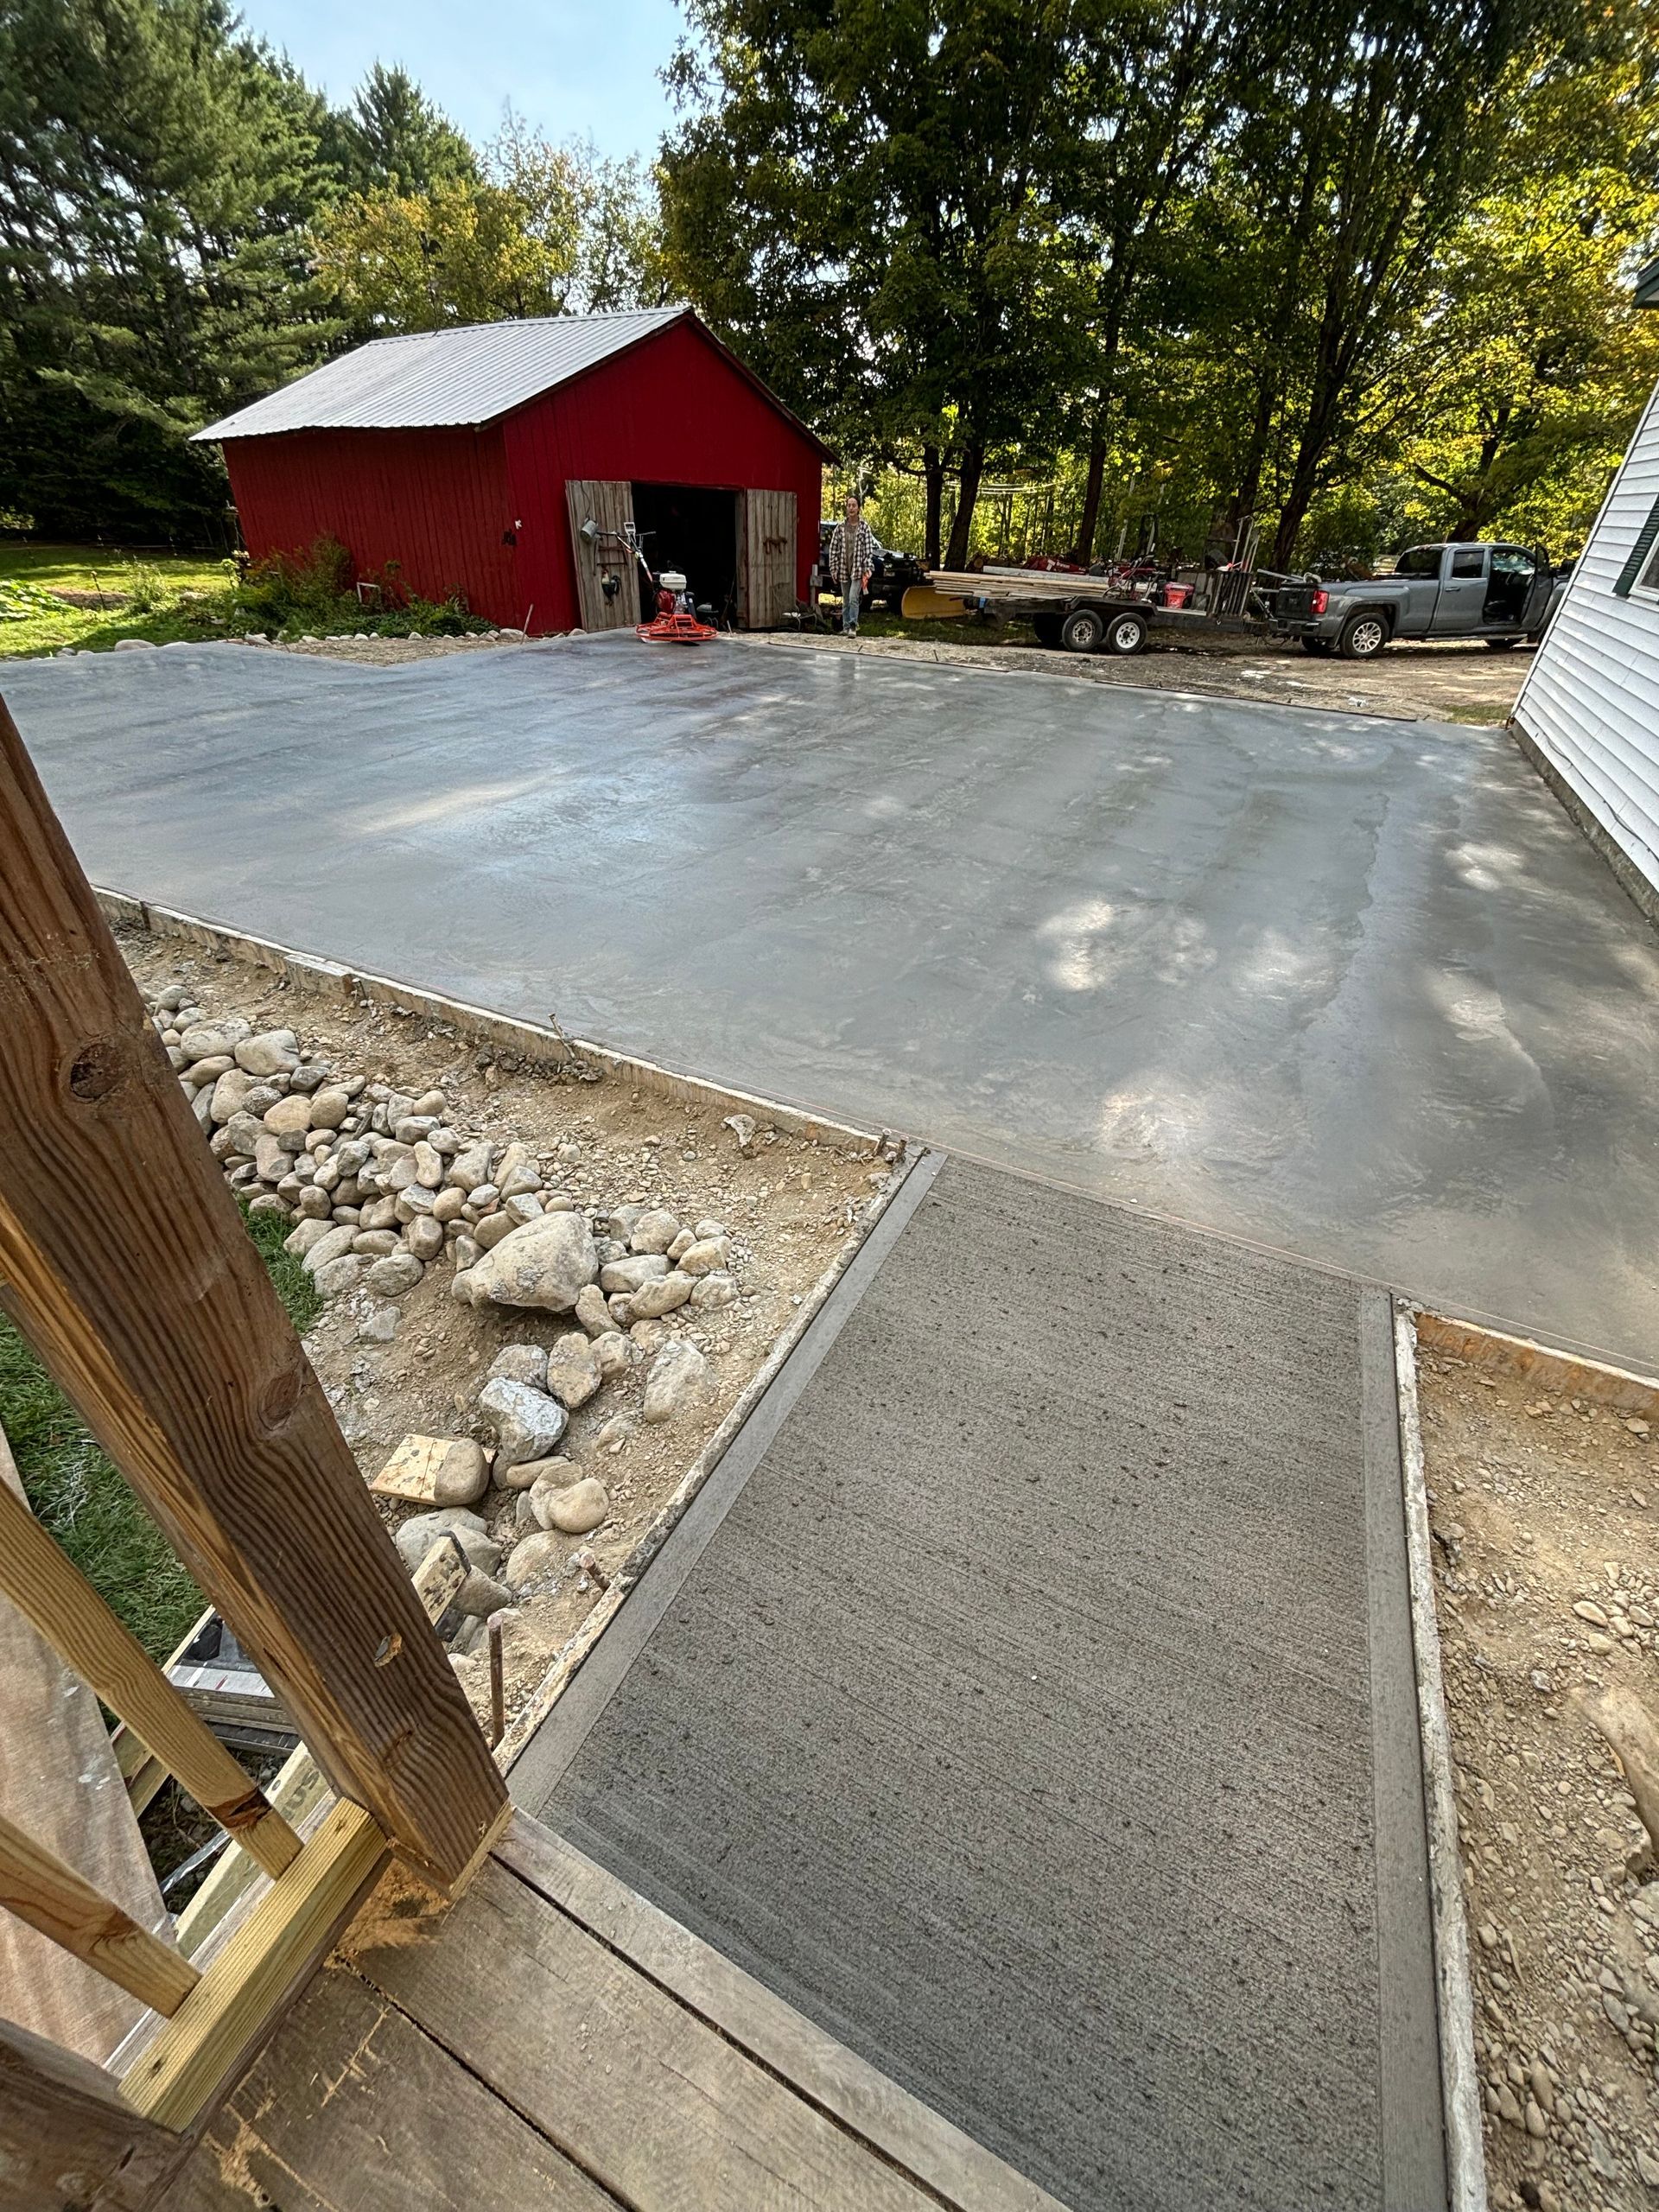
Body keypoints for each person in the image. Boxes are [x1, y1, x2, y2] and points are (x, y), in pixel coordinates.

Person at [827, 493, 876, 635]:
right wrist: (834, 569)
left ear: (859, 508)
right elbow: (833, 549)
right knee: (846, 599)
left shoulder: (864, 528)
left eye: (854, 505)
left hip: (858, 569)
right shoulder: (840, 528)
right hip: (844, 569)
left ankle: (853, 626)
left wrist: (867, 568)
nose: (851, 508)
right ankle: (846, 627)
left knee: (854, 597)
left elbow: (868, 551)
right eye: (849, 505)